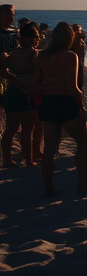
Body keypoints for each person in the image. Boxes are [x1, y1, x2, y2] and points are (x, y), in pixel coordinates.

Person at [33, 22, 87, 196]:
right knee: (84, 142)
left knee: (49, 150)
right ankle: (83, 184)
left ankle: (48, 189)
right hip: (66, 102)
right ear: (69, 38)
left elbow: (35, 84)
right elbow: (72, 87)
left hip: (49, 102)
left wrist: (50, 88)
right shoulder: (70, 56)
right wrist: (80, 103)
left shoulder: (42, 56)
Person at [1, 22, 41, 167]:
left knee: (10, 129)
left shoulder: (14, 54)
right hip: (28, 93)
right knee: (27, 130)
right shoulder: (36, 54)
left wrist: (12, 77)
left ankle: (6, 160)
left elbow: (3, 71)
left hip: (15, 91)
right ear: (35, 38)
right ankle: (29, 160)